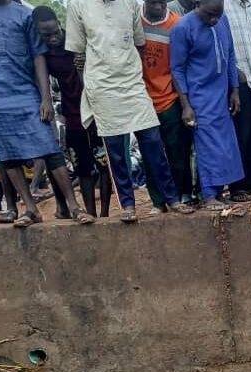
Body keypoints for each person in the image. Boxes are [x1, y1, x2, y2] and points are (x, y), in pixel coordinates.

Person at [0, 0, 93, 228]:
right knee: (8, 155)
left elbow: (38, 56)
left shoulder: (25, 14)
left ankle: (74, 207)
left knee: (50, 149)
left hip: (26, 90)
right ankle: (30, 208)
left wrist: (45, 98)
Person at [66, 0, 195, 222]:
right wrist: (90, 91)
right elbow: (78, 55)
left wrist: (129, 69)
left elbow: (139, 43)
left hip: (133, 85)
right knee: (116, 153)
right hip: (102, 88)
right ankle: (128, 205)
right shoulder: (77, 5)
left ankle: (172, 199)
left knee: (153, 144)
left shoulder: (130, 4)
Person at [32, 6, 113, 219]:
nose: (53, 38)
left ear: (60, 24)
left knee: (103, 165)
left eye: (55, 32)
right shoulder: (44, 54)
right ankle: (90, 213)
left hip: (96, 111)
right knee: (83, 169)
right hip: (71, 115)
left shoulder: (78, 42)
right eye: (46, 35)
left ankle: (105, 214)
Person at [171, 0, 244, 210]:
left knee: (226, 144)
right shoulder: (183, 28)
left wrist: (235, 90)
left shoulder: (222, 21)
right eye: (210, 15)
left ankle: (220, 192)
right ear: (198, 4)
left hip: (222, 93)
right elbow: (177, 69)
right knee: (207, 144)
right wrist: (186, 105)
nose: (214, 20)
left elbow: (230, 55)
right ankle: (209, 194)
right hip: (199, 96)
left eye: (218, 15)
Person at [140, 0, 196, 212]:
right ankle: (158, 202)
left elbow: (182, 66)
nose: (159, 7)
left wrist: (185, 103)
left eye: (162, 3)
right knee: (150, 155)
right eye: (154, 2)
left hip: (170, 98)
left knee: (177, 152)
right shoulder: (134, 22)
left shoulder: (177, 24)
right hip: (142, 100)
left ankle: (178, 196)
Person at [223, 0, 251, 198]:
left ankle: (250, 182)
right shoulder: (224, 6)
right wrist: (234, 74)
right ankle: (237, 186)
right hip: (238, 81)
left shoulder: (248, 8)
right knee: (241, 134)